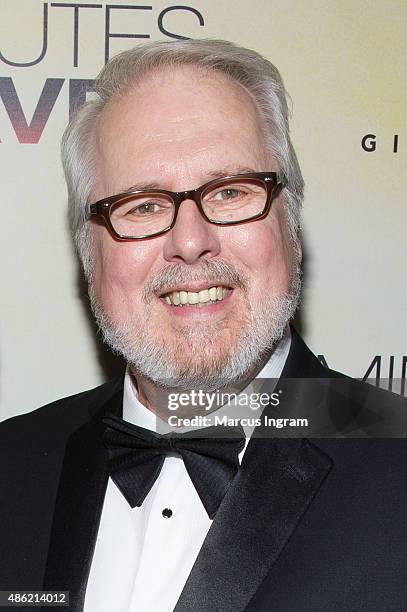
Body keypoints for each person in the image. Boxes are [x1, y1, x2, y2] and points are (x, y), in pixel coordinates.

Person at [1, 39, 406, 612]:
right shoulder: (11, 463)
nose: (191, 242)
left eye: (232, 191)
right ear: (88, 254)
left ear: (291, 227)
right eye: (141, 205)